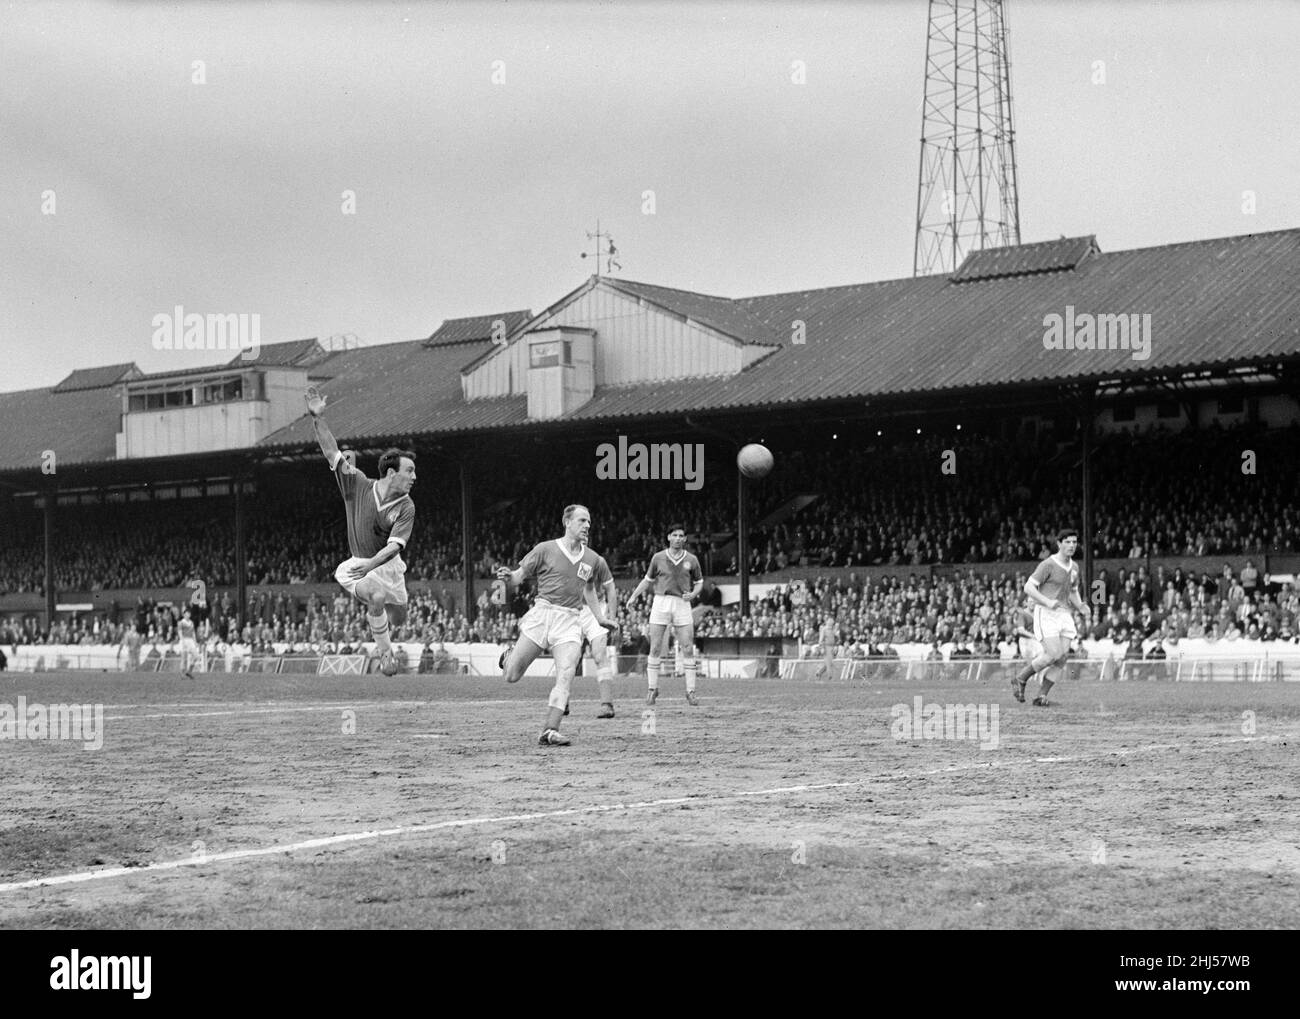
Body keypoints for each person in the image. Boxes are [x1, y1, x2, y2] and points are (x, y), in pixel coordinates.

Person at [306, 385, 416, 677]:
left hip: (389, 567)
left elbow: (395, 547)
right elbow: (332, 451)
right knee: (376, 596)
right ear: (392, 473)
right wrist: (317, 418)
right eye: (409, 471)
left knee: (400, 619)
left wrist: (373, 564)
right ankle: (385, 656)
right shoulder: (357, 483)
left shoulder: (406, 507)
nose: (414, 477)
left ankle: (386, 636)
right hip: (358, 565)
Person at [496, 504, 617, 746]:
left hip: (570, 620)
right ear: (567, 522)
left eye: (589, 523)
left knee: (566, 672)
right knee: (511, 675)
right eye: (582, 521)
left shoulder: (592, 558)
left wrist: (600, 618)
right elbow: (519, 576)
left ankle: (550, 729)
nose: (587, 526)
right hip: (543, 615)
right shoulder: (545, 549)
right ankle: (509, 657)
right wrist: (510, 578)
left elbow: (590, 589)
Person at [1010, 528, 1091, 706]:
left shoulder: (1075, 567)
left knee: (1062, 658)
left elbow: (1073, 591)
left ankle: (1041, 696)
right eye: (1068, 542)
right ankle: (1021, 678)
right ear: (1059, 543)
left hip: (1064, 614)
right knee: (1053, 654)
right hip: (1045, 613)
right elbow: (1028, 588)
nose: (1072, 545)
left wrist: (1080, 605)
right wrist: (1047, 601)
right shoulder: (1048, 564)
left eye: (1074, 542)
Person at [628, 524, 705, 705]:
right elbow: (647, 580)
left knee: (687, 647)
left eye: (681, 535)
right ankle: (652, 689)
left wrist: (693, 594)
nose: (678, 538)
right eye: (675, 535)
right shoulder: (658, 557)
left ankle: (690, 691)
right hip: (661, 602)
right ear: (669, 537)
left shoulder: (692, 560)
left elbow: (700, 582)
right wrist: (633, 596)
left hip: (682, 603)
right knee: (655, 647)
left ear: (685, 539)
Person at [178, 608, 200, 680]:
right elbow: (180, 632)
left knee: (196, 656)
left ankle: (189, 671)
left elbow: (193, 633)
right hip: (184, 640)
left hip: (190, 641)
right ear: (184, 614)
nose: (188, 615)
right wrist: (183, 641)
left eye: (189, 613)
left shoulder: (191, 622)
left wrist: (195, 641)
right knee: (184, 658)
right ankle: (182, 674)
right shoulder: (181, 622)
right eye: (187, 613)